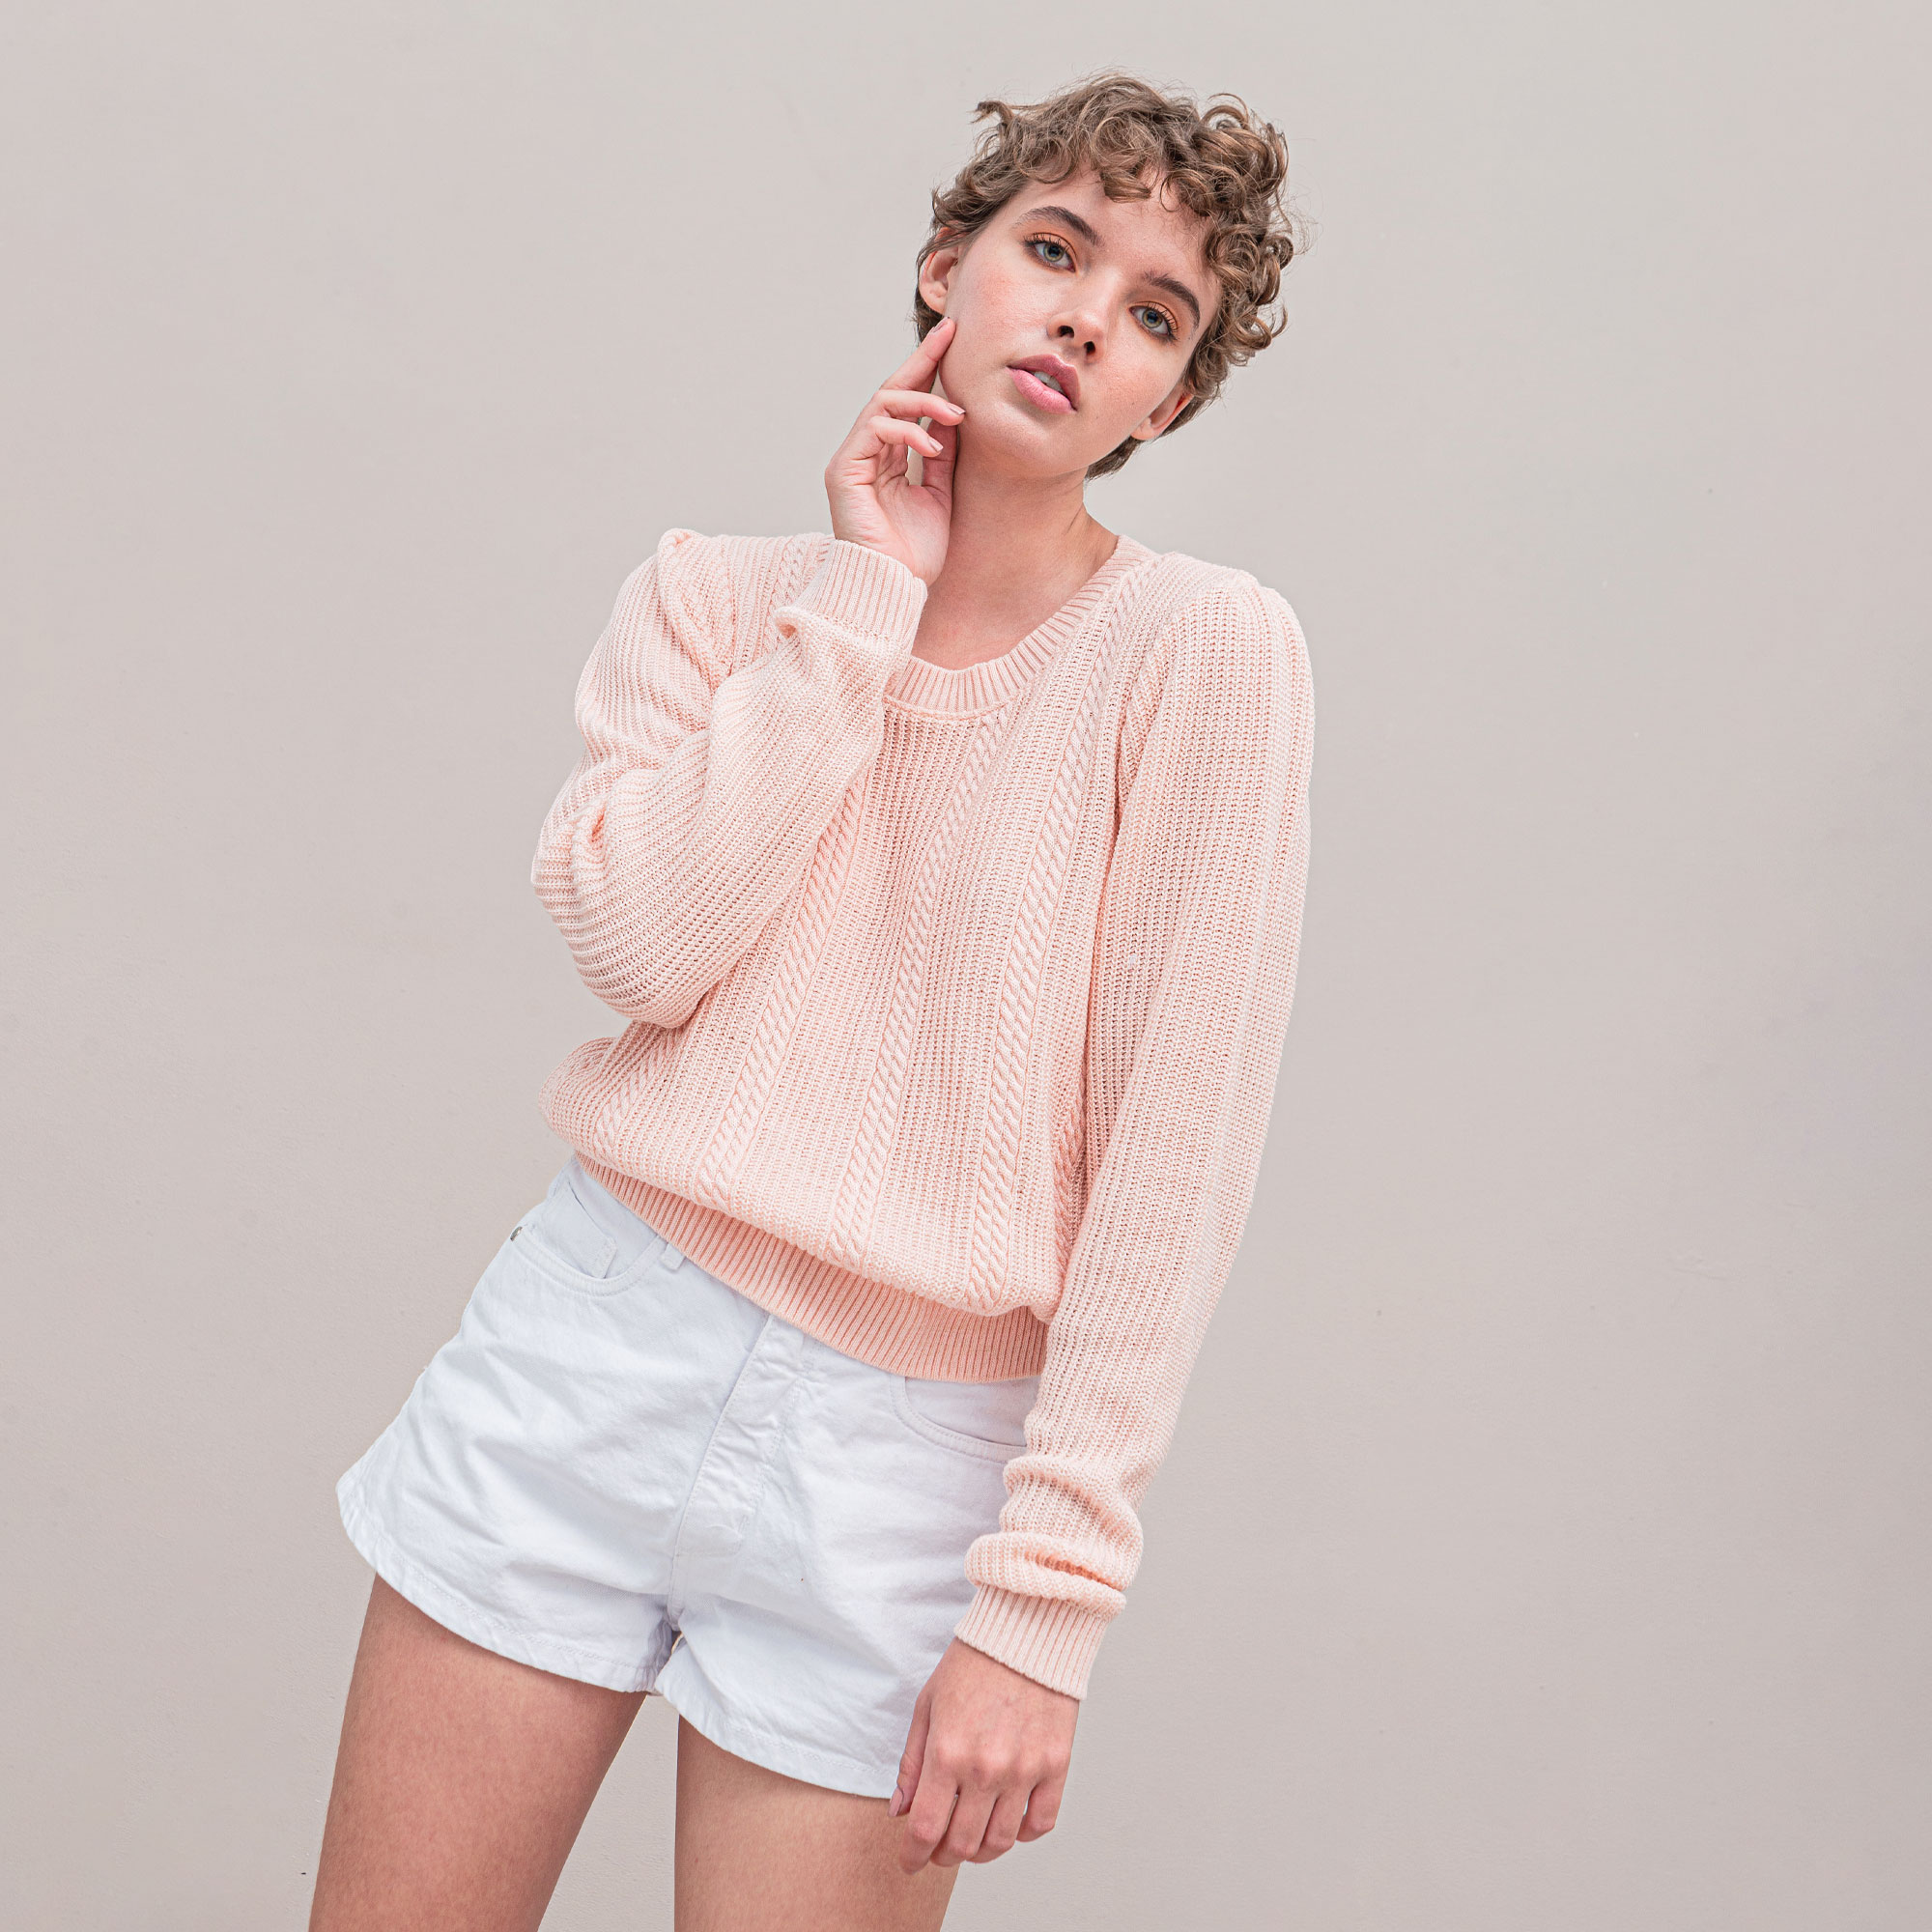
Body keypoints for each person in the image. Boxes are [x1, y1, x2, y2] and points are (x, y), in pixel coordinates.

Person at [309, 70, 1315, 1932]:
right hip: (591, 1347)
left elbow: (1175, 1166)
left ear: (1165, 402)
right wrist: (863, 600)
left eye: (1155, 315)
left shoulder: (1204, 657)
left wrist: (1044, 1607)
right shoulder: (716, 600)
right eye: (1054, 250)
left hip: (908, 1468)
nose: (1087, 318)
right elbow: (641, 945)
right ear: (948, 266)